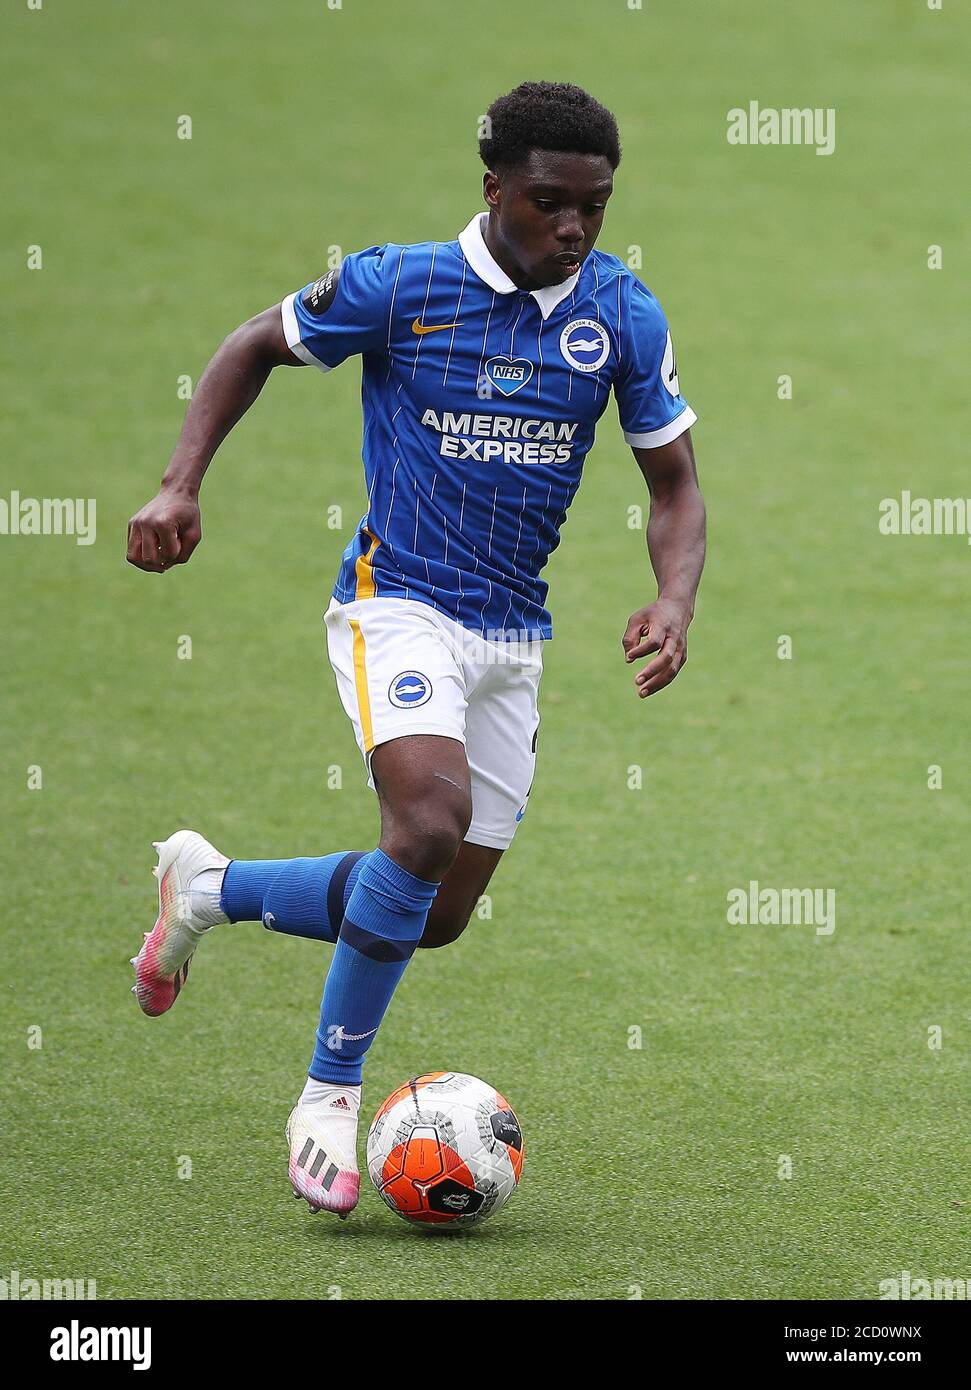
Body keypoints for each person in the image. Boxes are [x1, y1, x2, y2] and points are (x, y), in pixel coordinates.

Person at [126, 80, 706, 1217]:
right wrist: (179, 480)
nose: (573, 228)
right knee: (426, 821)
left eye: (592, 205)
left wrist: (672, 598)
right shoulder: (401, 285)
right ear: (492, 188)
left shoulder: (622, 315)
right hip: (396, 604)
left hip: (510, 635)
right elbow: (257, 342)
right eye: (548, 203)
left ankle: (209, 887)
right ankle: (326, 1099)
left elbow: (674, 482)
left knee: (431, 912)